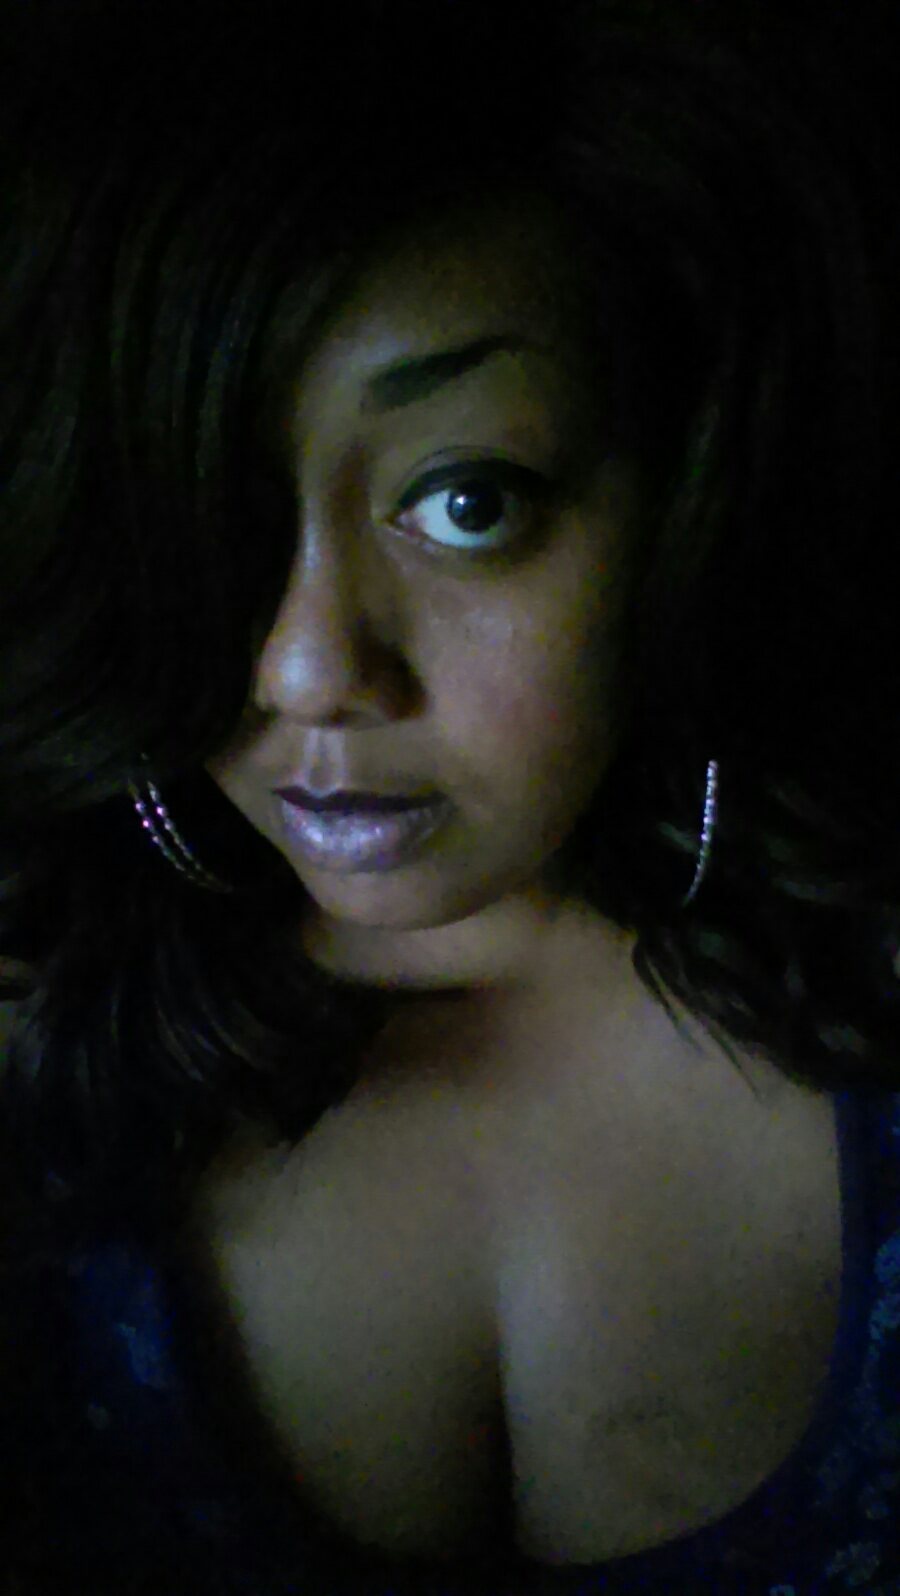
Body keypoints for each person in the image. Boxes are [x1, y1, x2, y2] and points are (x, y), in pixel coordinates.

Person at [2, 1, 899, 1591]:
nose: (308, 671)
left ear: (678, 503)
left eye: (466, 502)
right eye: (208, 509)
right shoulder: (35, 1030)